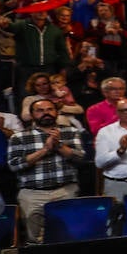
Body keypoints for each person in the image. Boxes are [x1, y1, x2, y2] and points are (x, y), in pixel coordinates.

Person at [7, 97, 86, 243]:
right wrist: (45, 149)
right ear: (32, 115)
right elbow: (15, 165)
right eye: (40, 110)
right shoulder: (19, 137)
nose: (46, 113)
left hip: (65, 190)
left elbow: (80, 159)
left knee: (69, 236)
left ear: (56, 112)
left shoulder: (71, 132)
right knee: (35, 239)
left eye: (50, 109)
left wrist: (58, 145)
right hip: (33, 194)